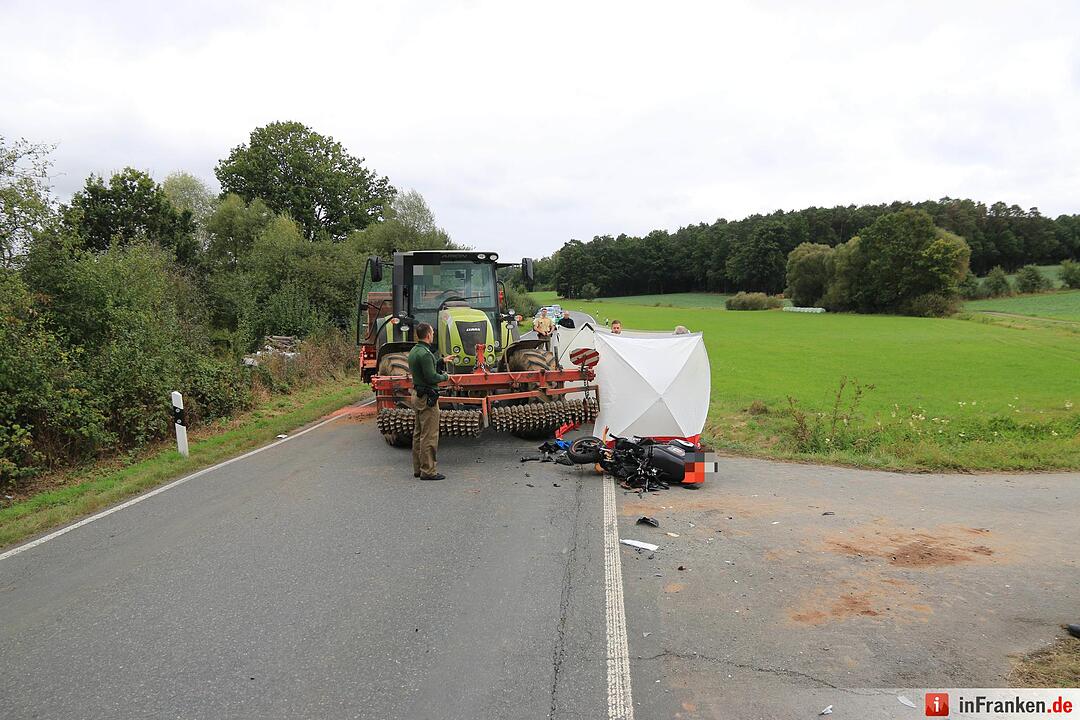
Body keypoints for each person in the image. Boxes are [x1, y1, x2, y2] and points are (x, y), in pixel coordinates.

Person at [407, 323, 454, 481]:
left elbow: (425, 368)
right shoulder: (426, 354)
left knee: (418, 433)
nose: (433, 334)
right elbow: (431, 377)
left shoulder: (415, 351)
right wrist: (446, 377)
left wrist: (441, 361)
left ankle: (418, 468)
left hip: (417, 395)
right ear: (428, 335)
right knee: (429, 435)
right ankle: (428, 471)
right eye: (432, 332)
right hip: (427, 398)